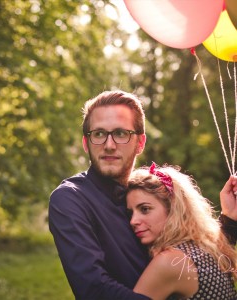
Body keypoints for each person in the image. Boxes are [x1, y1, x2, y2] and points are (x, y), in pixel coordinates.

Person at [48, 90, 237, 300]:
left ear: (140, 143)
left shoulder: (143, 193)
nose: (109, 145)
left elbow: (190, 252)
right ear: (86, 143)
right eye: (99, 134)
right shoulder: (70, 199)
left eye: (121, 133)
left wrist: (229, 219)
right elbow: (94, 289)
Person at [127, 162, 237, 299]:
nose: (133, 221)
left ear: (173, 208)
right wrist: (230, 215)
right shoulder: (205, 248)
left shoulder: (169, 262)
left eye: (145, 209)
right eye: (129, 213)